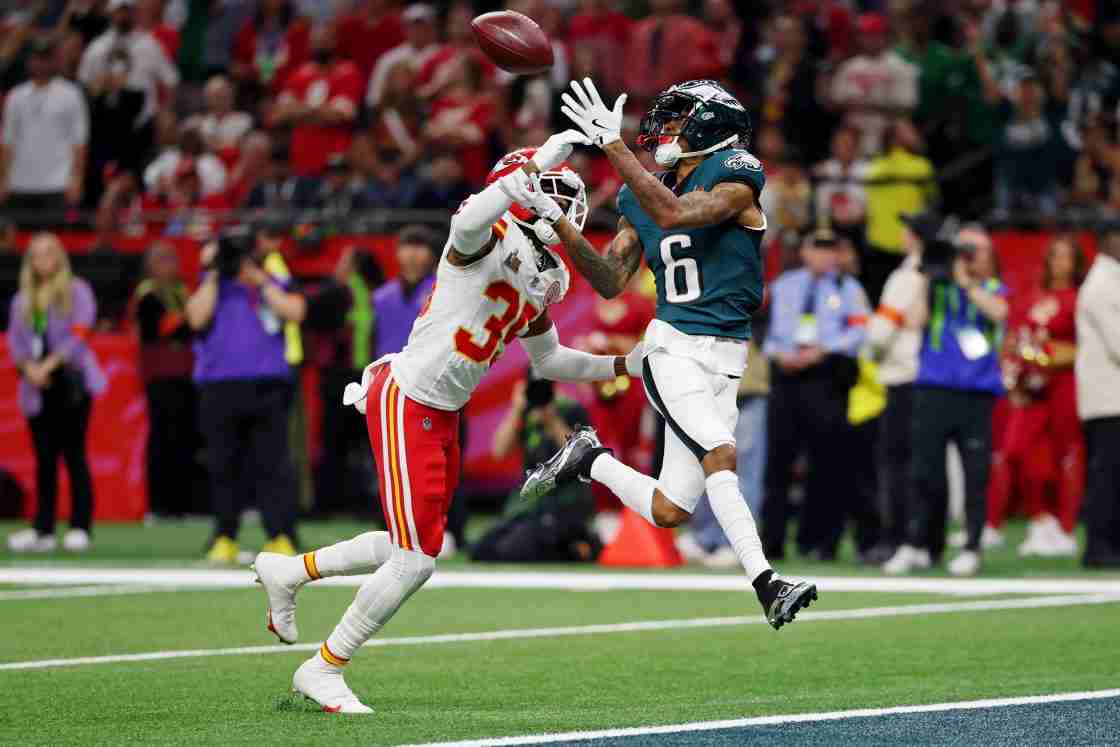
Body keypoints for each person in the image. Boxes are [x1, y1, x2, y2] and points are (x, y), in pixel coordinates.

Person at [251, 131, 635, 713]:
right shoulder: (487, 233)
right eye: (553, 190)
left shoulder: (542, 276)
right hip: (410, 397)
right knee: (416, 559)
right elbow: (468, 220)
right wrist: (534, 164)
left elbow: (552, 360)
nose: (564, 205)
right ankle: (325, 666)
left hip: (441, 410)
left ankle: (290, 572)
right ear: (521, 189)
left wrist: (626, 364)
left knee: (412, 543)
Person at [523, 78, 817, 627]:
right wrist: (558, 224)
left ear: (712, 125)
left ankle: (590, 459)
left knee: (669, 509)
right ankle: (767, 583)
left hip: (728, 356)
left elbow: (678, 214)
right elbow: (610, 279)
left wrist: (614, 148)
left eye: (679, 119)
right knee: (720, 454)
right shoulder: (640, 194)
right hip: (673, 347)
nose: (665, 129)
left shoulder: (736, 172)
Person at [884, 222, 1009, 577]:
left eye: (974, 250)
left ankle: (972, 546)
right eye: (961, 249)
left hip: (976, 393)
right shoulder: (936, 287)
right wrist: (928, 277)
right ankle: (915, 544)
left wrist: (965, 281)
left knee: (975, 474)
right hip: (933, 389)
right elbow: (913, 321)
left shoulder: (992, 287)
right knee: (923, 471)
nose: (966, 256)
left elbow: (999, 312)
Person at [185, 226, 306, 563]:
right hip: (219, 385)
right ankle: (225, 537)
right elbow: (195, 318)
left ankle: (279, 535)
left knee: (272, 465)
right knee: (223, 465)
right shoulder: (211, 284)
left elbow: (295, 312)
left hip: (268, 384)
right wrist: (213, 272)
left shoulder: (271, 281)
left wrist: (259, 280)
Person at [762, 229, 869, 560]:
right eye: (817, 248)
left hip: (826, 377)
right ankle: (772, 540)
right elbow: (765, 329)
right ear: (805, 252)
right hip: (787, 377)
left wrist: (825, 349)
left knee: (827, 462)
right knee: (778, 461)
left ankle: (820, 541)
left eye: (830, 249)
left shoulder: (848, 289)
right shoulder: (784, 285)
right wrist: (777, 353)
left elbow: (861, 330)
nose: (823, 255)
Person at [986, 236, 1086, 557]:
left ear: (1076, 263)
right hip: (1029, 387)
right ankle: (1041, 520)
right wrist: (1013, 374)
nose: (1059, 263)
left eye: (1066, 257)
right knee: (1017, 450)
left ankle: (1066, 530)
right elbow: (1015, 337)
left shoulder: (1079, 299)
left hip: (1064, 383)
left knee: (1066, 454)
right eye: (1054, 256)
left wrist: (1049, 355)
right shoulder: (1033, 297)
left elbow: (1084, 347)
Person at [6, 233, 105, 553]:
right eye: (36, 254)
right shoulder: (22, 300)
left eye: (48, 253)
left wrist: (51, 363)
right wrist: (29, 368)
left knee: (74, 454)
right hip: (37, 387)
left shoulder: (77, 291)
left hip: (71, 382)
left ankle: (80, 525)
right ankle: (43, 528)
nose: (43, 260)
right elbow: (16, 342)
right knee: (44, 459)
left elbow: (80, 331)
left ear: (59, 256)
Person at [475, 373, 599, 563]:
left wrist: (552, 420)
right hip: (529, 507)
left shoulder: (572, 410)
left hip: (564, 505)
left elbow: (581, 456)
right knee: (483, 549)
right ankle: (572, 547)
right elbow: (499, 451)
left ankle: (579, 545)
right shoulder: (526, 413)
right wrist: (515, 410)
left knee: (513, 549)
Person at [865, 212, 929, 556]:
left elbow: (880, 333)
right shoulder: (938, 274)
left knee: (896, 464)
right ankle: (924, 540)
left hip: (902, 375)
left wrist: (871, 348)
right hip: (928, 378)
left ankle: (896, 539)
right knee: (921, 462)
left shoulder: (906, 276)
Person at [303, 245, 383, 516]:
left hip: (340, 377)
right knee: (369, 445)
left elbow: (310, 319)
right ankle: (369, 504)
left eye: (344, 261)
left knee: (334, 442)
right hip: (369, 376)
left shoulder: (337, 292)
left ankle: (328, 504)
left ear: (352, 266)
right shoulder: (376, 293)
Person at [131, 241, 198, 518]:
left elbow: (190, 328)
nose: (170, 265)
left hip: (187, 374)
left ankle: (184, 505)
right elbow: (158, 329)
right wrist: (186, 319)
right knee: (162, 439)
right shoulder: (147, 296)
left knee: (186, 440)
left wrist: (186, 320)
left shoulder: (182, 292)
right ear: (150, 266)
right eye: (163, 260)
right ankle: (159, 506)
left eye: (173, 259)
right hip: (160, 376)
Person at [0, 38, 89, 215]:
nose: (41, 64)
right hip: (20, 183)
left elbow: (80, 142)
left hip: (58, 183)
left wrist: (76, 179)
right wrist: (3, 179)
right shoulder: (16, 96)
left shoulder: (71, 94)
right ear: (29, 61)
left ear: (54, 61)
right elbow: (7, 142)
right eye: (37, 58)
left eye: (46, 58)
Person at [1076, 225, 1120, 568]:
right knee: (1107, 475)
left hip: (1110, 396)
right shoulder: (1102, 285)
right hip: (1107, 397)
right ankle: (1098, 548)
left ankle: (1109, 545)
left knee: (1111, 475)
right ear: (1108, 241)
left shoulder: (1110, 280)